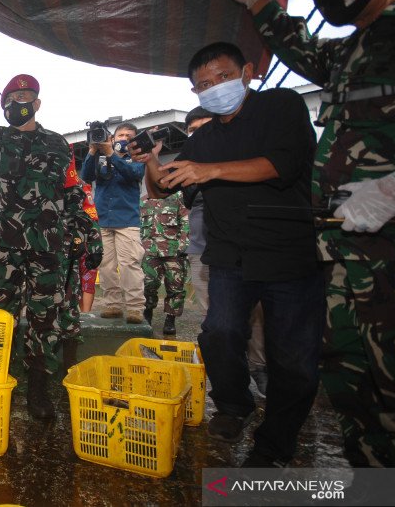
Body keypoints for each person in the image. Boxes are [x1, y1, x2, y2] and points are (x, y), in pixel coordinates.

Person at [218, 0, 395, 468]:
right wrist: (258, 1)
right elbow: (301, 49)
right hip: (345, 256)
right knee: (357, 391)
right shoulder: (352, 52)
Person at [135, 42, 324, 467]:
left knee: (293, 356)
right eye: (204, 84)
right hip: (229, 257)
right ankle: (235, 404)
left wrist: (211, 170)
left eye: (222, 77)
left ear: (247, 72)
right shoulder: (206, 138)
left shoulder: (281, 106)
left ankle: (274, 445)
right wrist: (153, 161)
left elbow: (283, 164)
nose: (215, 88)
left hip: (286, 252)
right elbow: (163, 189)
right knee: (218, 333)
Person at [0, 74, 70, 419]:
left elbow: (68, 187)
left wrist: (80, 231)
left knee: (43, 317)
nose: (20, 101)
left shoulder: (58, 142)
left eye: (26, 96)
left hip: (47, 244)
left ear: (37, 103)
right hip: (6, 244)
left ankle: (38, 391)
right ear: (5, 106)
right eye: (13, 97)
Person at [180, 106, 268, 394]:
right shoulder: (189, 169)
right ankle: (231, 388)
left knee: (255, 316)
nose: (200, 135)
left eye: (206, 127)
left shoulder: (244, 163)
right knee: (217, 323)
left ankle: (259, 366)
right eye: (193, 131)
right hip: (203, 251)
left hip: (246, 251)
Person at [80, 123, 147, 324]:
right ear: (113, 137)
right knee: (107, 265)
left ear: (134, 139)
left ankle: (135, 308)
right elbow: (86, 176)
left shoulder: (137, 157)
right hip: (104, 220)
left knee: (129, 265)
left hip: (127, 220)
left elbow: (134, 174)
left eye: (128, 135)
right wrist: (93, 150)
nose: (123, 138)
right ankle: (113, 305)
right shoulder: (99, 156)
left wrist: (112, 154)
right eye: (120, 134)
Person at [59, 155, 103, 369]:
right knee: (40, 311)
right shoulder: (36, 183)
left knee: (68, 308)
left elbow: (87, 217)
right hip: (40, 259)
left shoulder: (78, 187)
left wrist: (95, 246)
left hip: (68, 260)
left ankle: (69, 364)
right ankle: (37, 370)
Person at [139, 191, 189, 335]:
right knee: (148, 284)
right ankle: (147, 312)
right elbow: (138, 227)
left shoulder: (177, 197)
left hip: (173, 251)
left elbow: (186, 222)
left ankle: (170, 319)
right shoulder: (143, 201)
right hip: (149, 251)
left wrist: (182, 246)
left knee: (176, 287)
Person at [79, 183, 99, 313]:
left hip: (73, 234)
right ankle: (85, 316)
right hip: (91, 234)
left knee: (74, 279)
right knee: (87, 279)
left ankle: (83, 315)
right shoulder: (85, 186)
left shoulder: (64, 180)